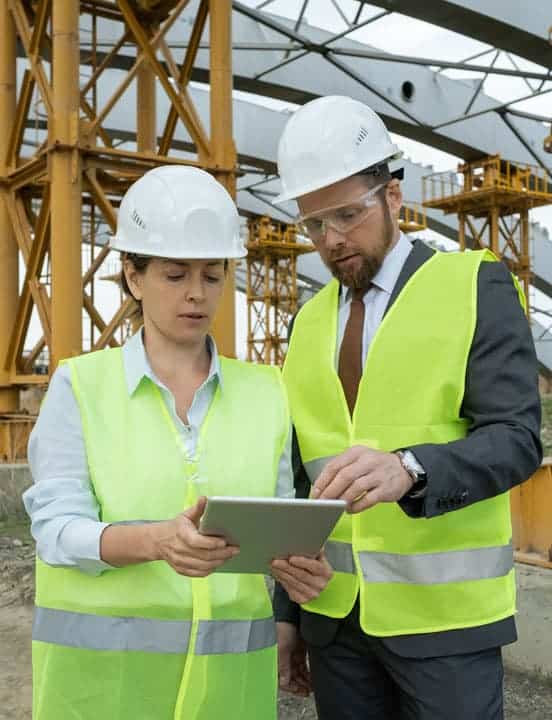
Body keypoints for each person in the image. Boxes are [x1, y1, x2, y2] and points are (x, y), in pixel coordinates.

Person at [23, 165, 332, 720]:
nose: (196, 294)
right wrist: (155, 541)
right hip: (107, 693)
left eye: (212, 276)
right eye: (175, 275)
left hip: (230, 693)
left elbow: (280, 530)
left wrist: (300, 575)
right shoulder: (81, 386)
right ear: (133, 277)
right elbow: (56, 531)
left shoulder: (267, 393)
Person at [272, 96, 542, 719]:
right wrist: (287, 613)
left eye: (347, 214)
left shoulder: (473, 285)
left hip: (444, 622)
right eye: (315, 224)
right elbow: (297, 475)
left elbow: (517, 438)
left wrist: (410, 469)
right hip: (334, 621)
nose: (333, 239)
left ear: (393, 196)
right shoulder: (306, 324)